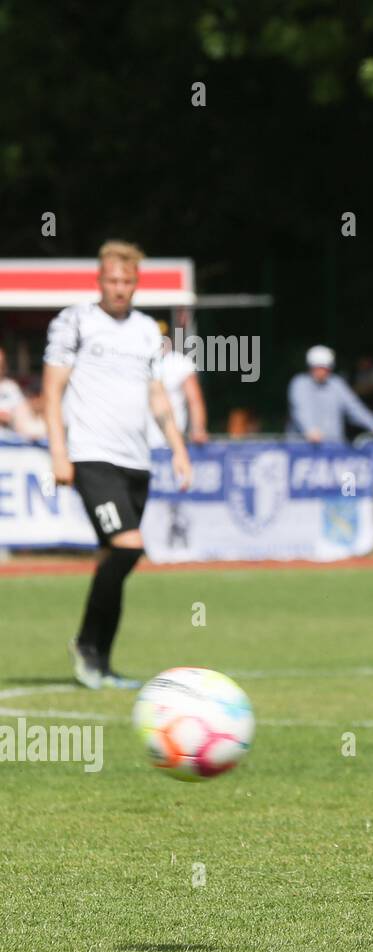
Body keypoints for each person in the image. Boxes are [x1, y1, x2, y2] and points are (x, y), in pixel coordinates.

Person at [42, 241, 194, 689]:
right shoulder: (75, 321)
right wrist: (58, 451)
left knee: (113, 558)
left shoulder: (148, 330)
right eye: (112, 281)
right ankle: (88, 644)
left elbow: (157, 394)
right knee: (128, 547)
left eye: (127, 282)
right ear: (99, 280)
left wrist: (178, 448)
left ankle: (99, 662)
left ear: (136, 284)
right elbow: (52, 391)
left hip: (136, 460)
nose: (119, 288)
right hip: (92, 455)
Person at [287, 345, 373, 444]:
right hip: (301, 448)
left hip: (333, 448)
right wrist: (310, 430)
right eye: (317, 367)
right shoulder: (299, 383)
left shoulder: (337, 384)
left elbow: (354, 408)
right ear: (310, 367)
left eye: (325, 367)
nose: (321, 371)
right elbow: (301, 410)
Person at [145, 323, 209, 451]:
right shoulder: (136, 362)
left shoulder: (181, 363)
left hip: (171, 444)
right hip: (138, 444)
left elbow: (194, 400)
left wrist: (198, 429)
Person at [0, 345, 47, 440]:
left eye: (2, 364)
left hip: (13, 440)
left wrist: (36, 405)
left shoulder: (10, 387)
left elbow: (23, 410)